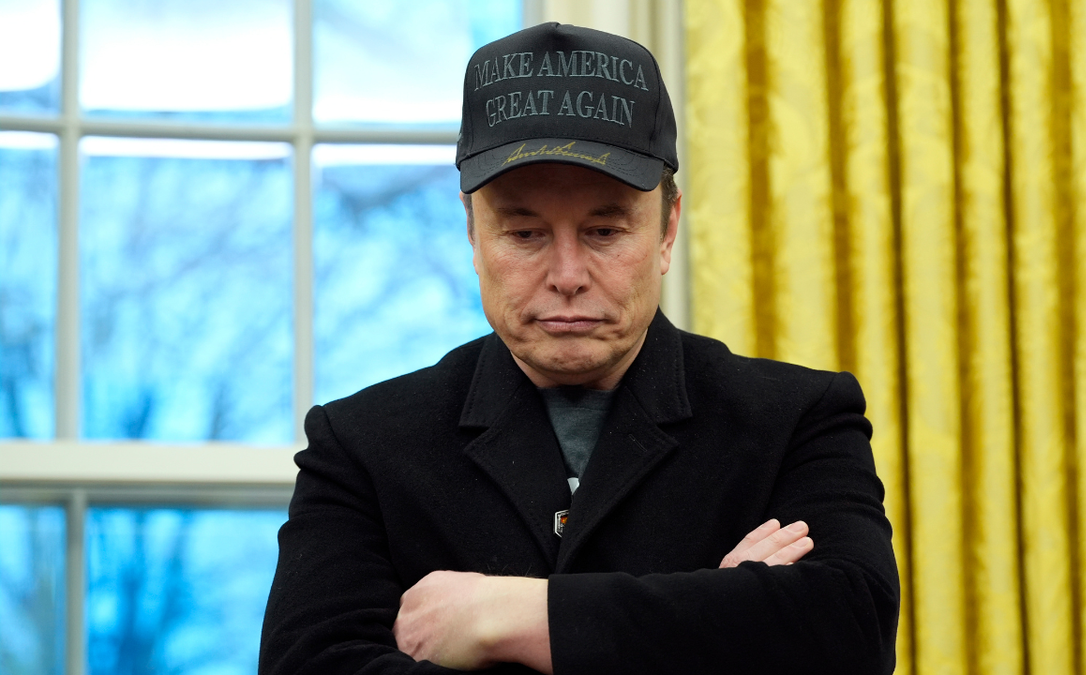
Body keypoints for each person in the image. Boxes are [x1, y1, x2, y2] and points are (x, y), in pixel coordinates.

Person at [260, 22, 899, 675]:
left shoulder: (797, 418)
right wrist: (709, 624)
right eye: (526, 231)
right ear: (473, 234)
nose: (567, 273)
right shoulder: (361, 444)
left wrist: (500, 616)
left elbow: (852, 633)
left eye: (603, 228)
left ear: (666, 229)